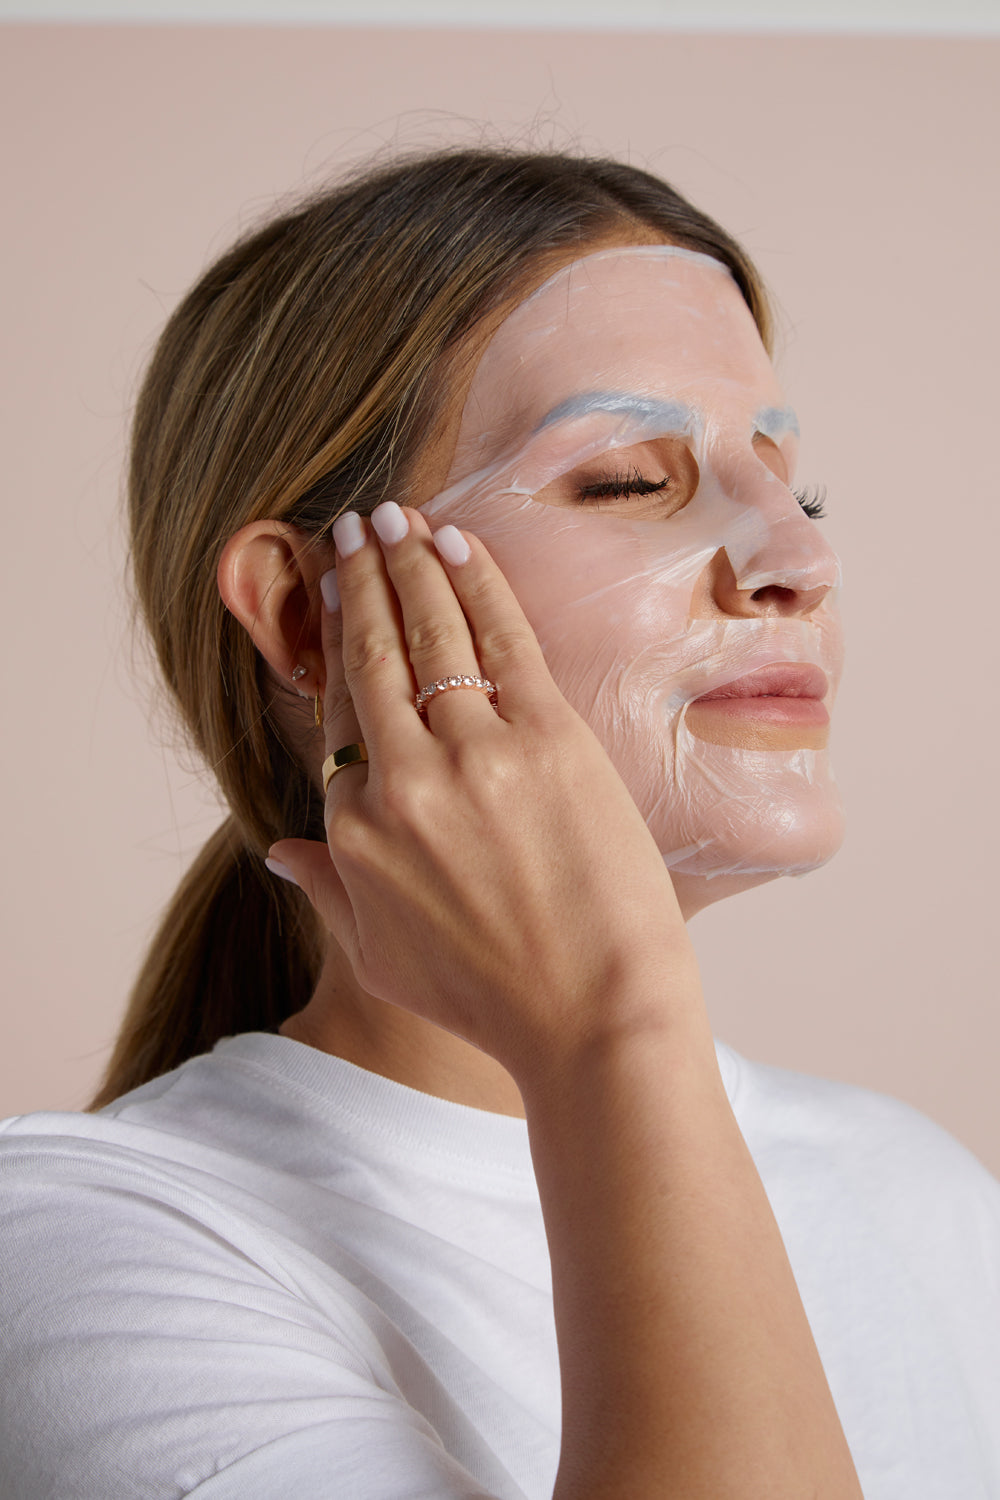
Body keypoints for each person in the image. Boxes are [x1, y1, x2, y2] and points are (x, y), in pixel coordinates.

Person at [0, 148, 997, 1500]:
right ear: (310, 619)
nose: (800, 560)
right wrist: (609, 1023)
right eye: (631, 481)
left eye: (792, 484)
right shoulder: (91, 1251)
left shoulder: (920, 1197)